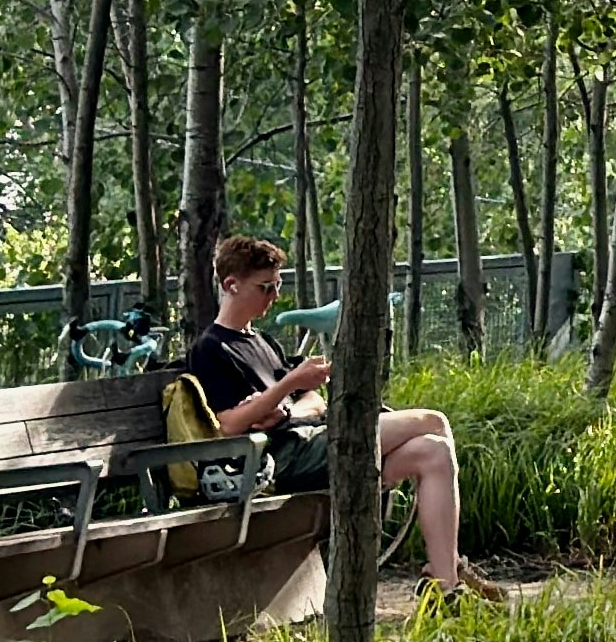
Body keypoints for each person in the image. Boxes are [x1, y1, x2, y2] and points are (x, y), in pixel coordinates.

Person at [188, 230, 489, 612]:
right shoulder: (211, 349)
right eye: (265, 288)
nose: (274, 297)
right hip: (280, 459)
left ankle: (444, 586)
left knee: (434, 451)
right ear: (231, 285)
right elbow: (227, 425)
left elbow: (313, 401)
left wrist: (286, 406)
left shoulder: (264, 342)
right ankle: (451, 570)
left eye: (277, 286)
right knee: (433, 421)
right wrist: (288, 385)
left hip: (312, 437)